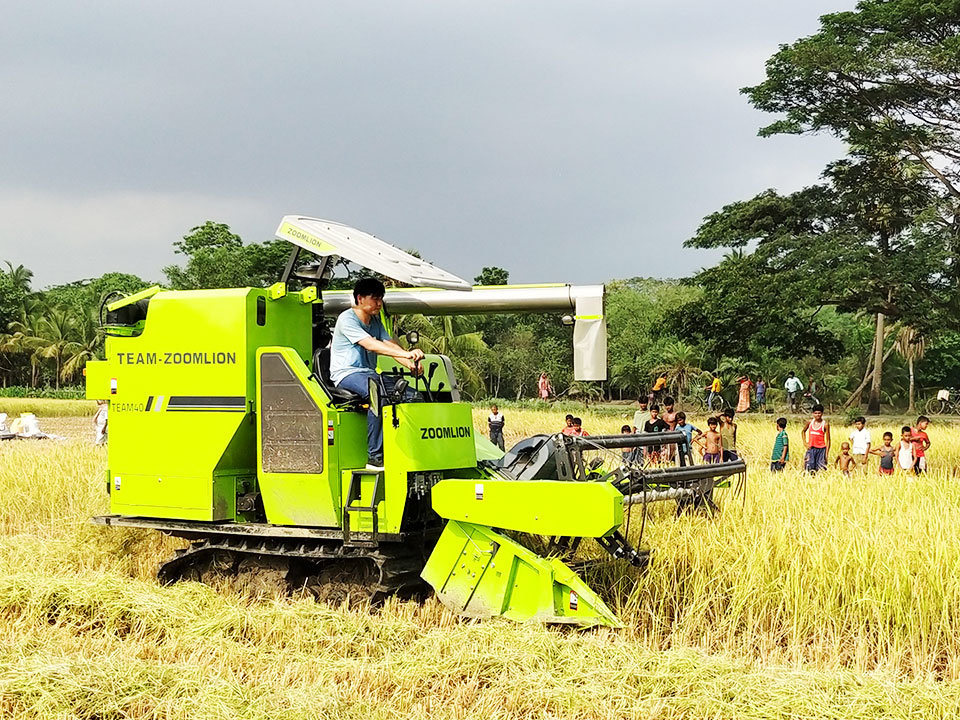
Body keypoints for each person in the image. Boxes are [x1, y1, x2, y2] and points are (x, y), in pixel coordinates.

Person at [330, 277, 425, 468]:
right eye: (375, 298)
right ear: (360, 298)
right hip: (347, 374)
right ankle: (375, 456)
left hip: (370, 375)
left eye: (381, 298)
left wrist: (409, 363)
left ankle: (411, 448)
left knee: (412, 395)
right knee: (378, 392)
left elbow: (389, 344)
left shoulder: (375, 321)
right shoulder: (347, 319)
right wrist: (406, 353)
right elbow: (372, 345)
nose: (379, 303)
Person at [801, 404, 830, 473]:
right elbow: (803, 431)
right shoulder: (810, 422)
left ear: (822, 413)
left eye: (819, 413)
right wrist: (805, 443)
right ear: (813, 414)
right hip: (811, 449)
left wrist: (826, 453)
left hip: (821, 449)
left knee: (821, 469)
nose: (817, 415)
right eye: (815, 413)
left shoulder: (825, 425)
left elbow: (828, 440)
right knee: (809, 467)